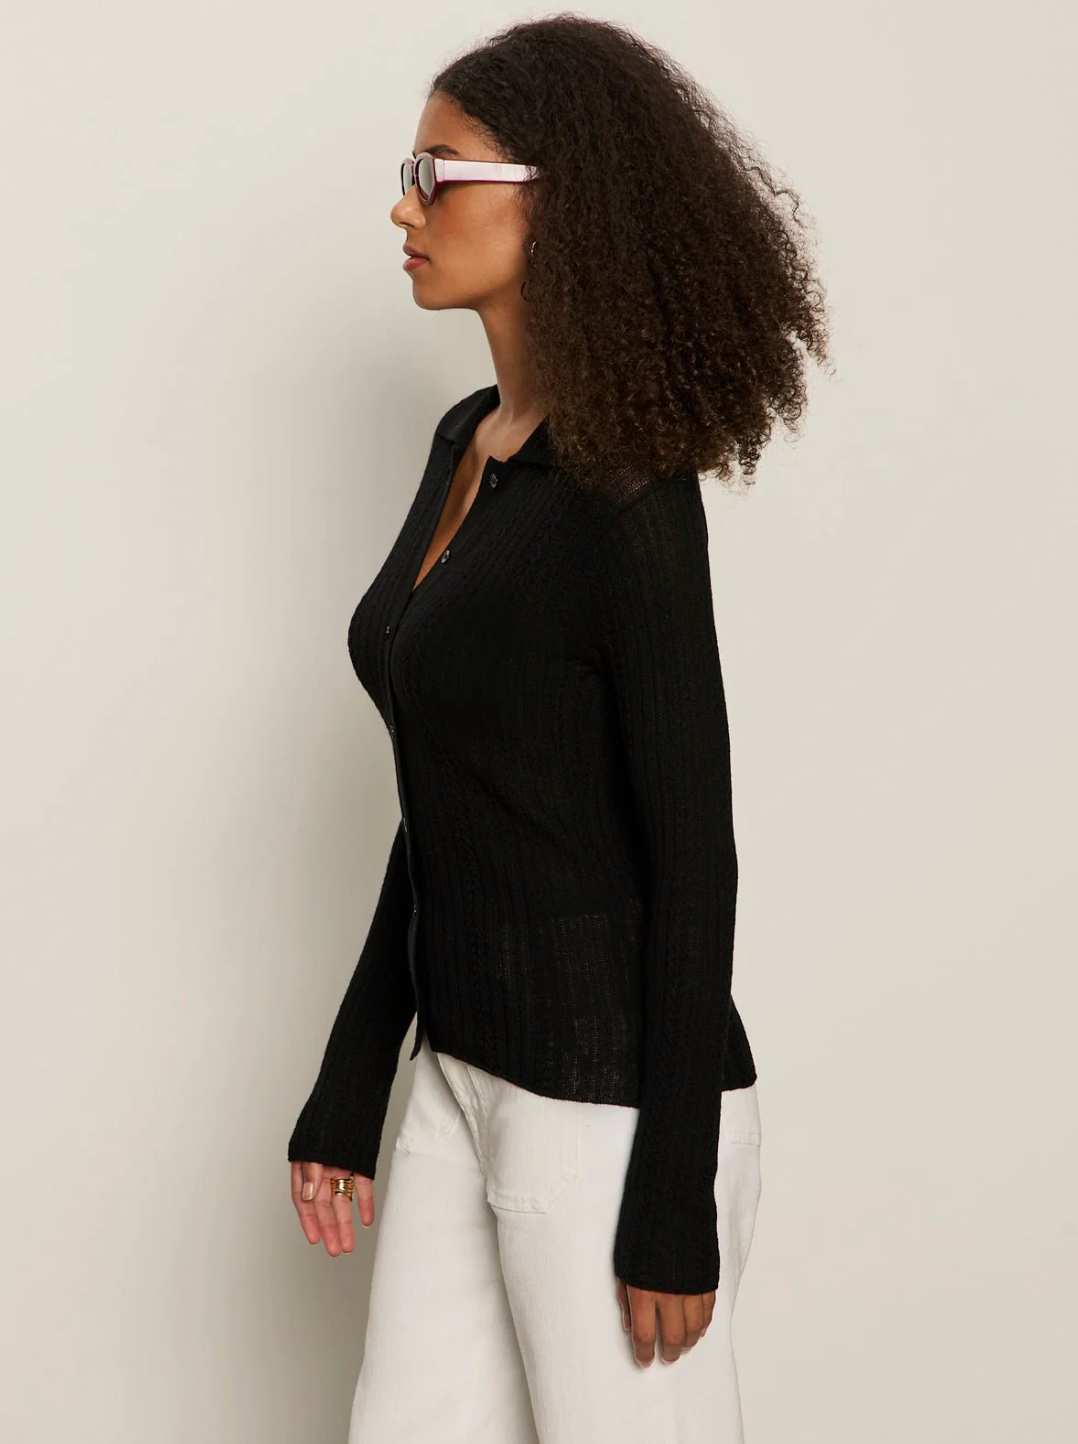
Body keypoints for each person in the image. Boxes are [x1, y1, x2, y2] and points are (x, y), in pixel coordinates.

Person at [286, 14, 829, 1443]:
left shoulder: (627, 495)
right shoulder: (468, 442)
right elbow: (452, 793)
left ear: (557, 200)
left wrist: (672, 1192)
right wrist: (355, 1076)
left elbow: (694, 851)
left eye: (439, 172)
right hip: (456, 1077)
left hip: (607, 1110)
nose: (404, 206)